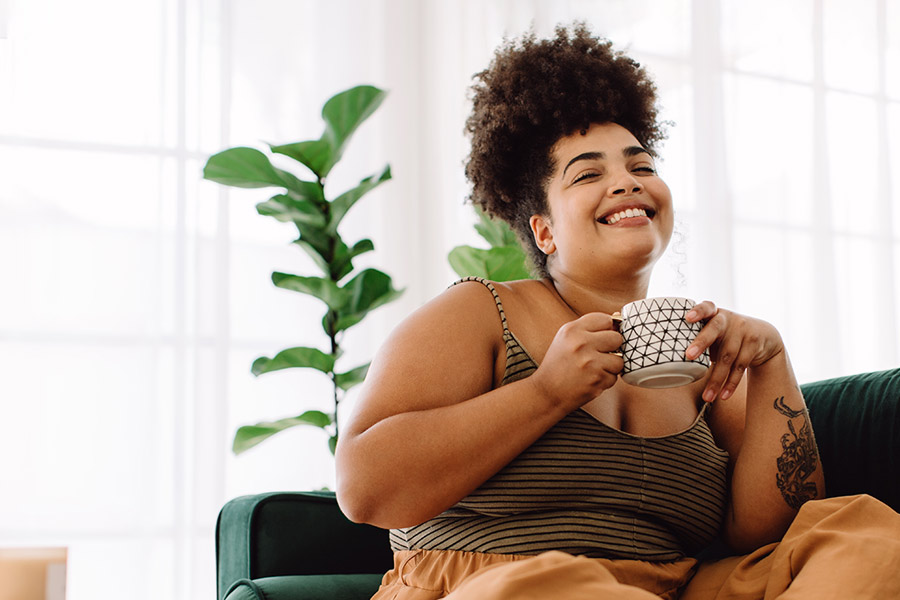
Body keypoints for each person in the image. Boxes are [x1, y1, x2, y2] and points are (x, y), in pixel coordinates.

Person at [335, 23, 900, 600]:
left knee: (863, 534)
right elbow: (364, 489)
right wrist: (547, 392)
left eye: (641, 167)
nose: (626, 184)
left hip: (672, 588)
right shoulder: (482, 311)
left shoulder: (697, 352)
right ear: (545, 231)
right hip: (499, 585)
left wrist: (771, 359)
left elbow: (770, 533)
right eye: (588, 174)